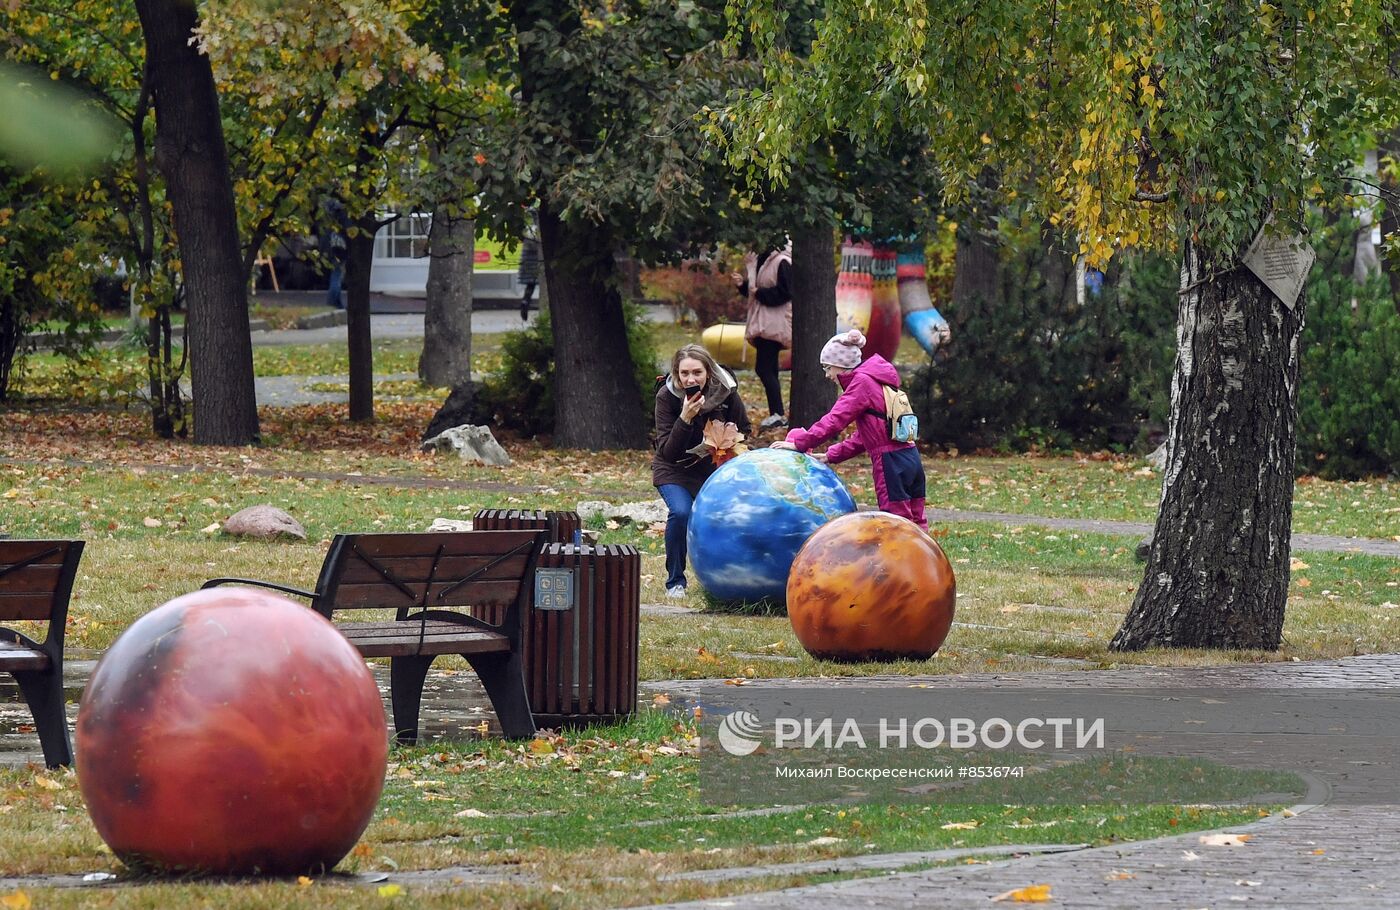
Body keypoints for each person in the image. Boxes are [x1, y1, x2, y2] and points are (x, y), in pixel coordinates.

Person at [771, 328, 927, 531]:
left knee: (896, 524)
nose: (827, 375)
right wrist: (830, 456)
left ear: (841, 365)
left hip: (891, 463)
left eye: (828, 368)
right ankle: (927, 561)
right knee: (916, 520)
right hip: (910, 457)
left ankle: (901, 562)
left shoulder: (861, 383)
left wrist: (799, 443)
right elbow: (865, 437)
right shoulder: (878, 381)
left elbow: (835, 420)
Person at [653, 343, 752, 598]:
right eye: (684, 373)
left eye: (696, 372)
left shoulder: (725, 391)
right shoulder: (667, 397)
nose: (690, 379)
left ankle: (728, 578)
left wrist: (727, 440)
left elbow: (745, 428)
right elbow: (668, 451)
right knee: (681, 512)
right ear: (676, 374)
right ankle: (675, 581)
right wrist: (685, 418)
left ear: (708, 371)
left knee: (727, 518)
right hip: (675, 469)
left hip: (713, 468)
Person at [735, 242, 792, 430]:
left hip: (772, 325)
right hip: (763, 323)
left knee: (764, 369)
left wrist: (760, 293)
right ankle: (777, 413)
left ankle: (777, 413)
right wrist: (742, 286)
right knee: (769, 369)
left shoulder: (782, 262)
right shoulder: (764, 261)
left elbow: (785, 292)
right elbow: (754, 292)